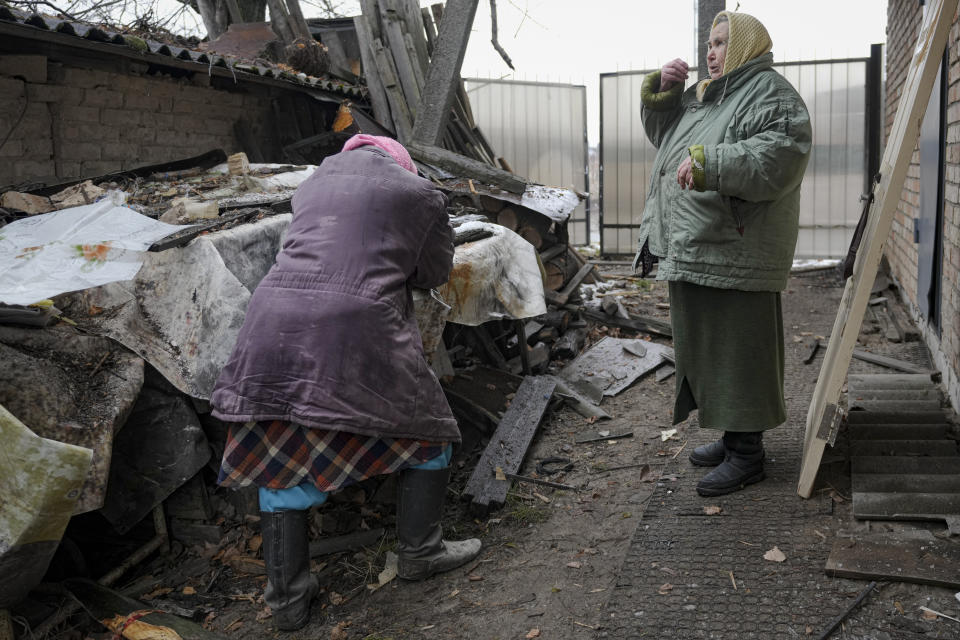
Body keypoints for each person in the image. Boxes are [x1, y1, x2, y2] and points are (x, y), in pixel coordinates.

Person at [209, 134, 481, 630]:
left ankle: (287, 600)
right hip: (356, 323)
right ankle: (420, 553)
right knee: (429, 430)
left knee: (278, 449)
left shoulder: (312, 184)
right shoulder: (421, 193)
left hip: (271, 321)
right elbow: (434, 273)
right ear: (401, 163)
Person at [634, 11, 812, 497]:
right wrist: (664, 93)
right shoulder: (708, 97)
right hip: (699, 240)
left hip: (735, 245)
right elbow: (664, 139)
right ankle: (734, 437)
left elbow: (782, 154)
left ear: (745, 47)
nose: (710, 53)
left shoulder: (770, 93)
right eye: (709, 44)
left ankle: (748, 453)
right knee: (708, 348)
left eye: (720, 44)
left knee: (740, 350)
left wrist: (712, 164)